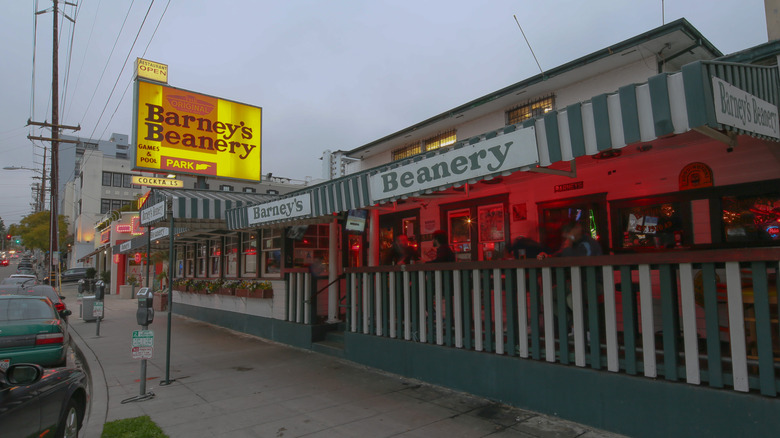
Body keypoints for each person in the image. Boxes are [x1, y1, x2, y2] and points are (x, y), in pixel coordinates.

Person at [536, 221, 602, 259]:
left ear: (577, 229)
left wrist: (567, 247)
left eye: (568, 232)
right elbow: (559, 255)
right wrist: (547, 257)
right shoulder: (574, 243)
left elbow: (576, 261)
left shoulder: (588, 244)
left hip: (591, 281)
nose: (566, 235)